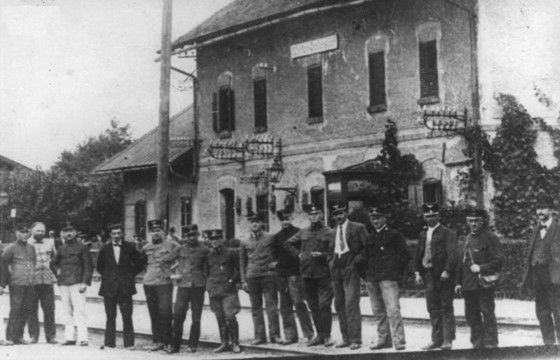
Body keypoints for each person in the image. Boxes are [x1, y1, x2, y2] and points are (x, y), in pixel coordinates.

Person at [284, 204, 334, 347]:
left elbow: (334, 252)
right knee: (313, 305)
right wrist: (298, 254)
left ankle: (327, 335)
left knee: (324, 305)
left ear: (321, 215)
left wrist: (323, 255)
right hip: (306, 274)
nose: (313, 217)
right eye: (311, 215)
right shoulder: (303, 232)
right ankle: (319, 335)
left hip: (323, 274)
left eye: (316, 214)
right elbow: (287, 244)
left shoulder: (329, 232)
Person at [455, 208, 504, 349]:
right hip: (468, 285)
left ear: (482, 221)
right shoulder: (466, 239)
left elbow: (499, 260)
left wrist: (481, 268)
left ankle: (490, 343)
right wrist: (458, 282)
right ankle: (477, 343)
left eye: (476, 221)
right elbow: (461, 263)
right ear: (467, 222)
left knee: (487, 313)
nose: (473, 224)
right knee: (471, 315)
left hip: (484, 284)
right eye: (470, 221)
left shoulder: (490, 238)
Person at [364, 206, 409, 351]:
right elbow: (364, 257)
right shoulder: (369, 237)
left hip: (388, 278)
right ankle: (384, 339)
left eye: (378, 218)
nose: (375, 221)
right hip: (372, 278)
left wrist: (395, 272)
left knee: (393, 310)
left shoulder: (395, 235)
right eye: (373, 218)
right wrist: (365, 275)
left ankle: (399, 341)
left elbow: (404, 256)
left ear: (385, 218)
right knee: (378, 311)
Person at [414, 203, 458, 350]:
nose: (430, 218)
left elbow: (452, 254)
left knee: (446, 307)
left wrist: (447, 270)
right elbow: (418, 254)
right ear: (423, 217)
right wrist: (417, 272)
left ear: (438, 216)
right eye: (427, 216)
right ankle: (436, 339)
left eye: (433, 215)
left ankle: (447, 340)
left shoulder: (447, 233)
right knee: (432, 307)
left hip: (443, 275)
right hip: (428, 274)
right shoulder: (422, 234)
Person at [162, 224, 209, 353]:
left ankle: (193, 344)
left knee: (196, 317)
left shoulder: (204, 250)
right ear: (185, 237)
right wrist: (172, 275)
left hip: (198, 286)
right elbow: (164, 262)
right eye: (189, 235)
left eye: (194, 234)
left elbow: (208, 268)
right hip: (183, 286)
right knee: (178, 316)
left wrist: (206, 281)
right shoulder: (180, 249)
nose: (192, 237)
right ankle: (174, 345)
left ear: (198, 235)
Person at [270, 208, 314, 345]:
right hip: (281, 274)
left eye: (287, 219)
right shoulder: (276, 237)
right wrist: (275, 263)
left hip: (295, 273)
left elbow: (304, 251)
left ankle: (309, 334)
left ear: (291, 219)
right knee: (285, 305)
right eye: (282, 219)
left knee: (299, 302)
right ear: (280, 220)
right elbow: (274, 255)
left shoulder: (298, 233)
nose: (285, 222)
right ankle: (290, 335)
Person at [97, 223, 143, 349]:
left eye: (118, 233)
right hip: (109, 287)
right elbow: (100, 267)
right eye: (114, 233)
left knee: (127, 316)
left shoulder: (130, 247)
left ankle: (129, 343)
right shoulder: (105, 249)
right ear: (110, 234)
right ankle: (109, 343)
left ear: (122, 233)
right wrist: (110, 277)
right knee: (110, 316)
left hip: (125, 287)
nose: (116, 236)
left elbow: (139, 263)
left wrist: (129, 275)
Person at [522, 194, 560, 345]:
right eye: (538, 208)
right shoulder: (535, 229)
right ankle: (549, 345)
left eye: (543, 208)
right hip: (538, 277)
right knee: (542, 313)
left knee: (558, 312)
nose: (540, 211)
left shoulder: (558, 229)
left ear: (551, 210)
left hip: (555, 278)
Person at [329, 201, 366, 350]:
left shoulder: (358, 228)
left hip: (351, 267)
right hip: (336, 268)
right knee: (339, 304)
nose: (339, 216)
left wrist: (355, 263)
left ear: (346, 213)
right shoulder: (332, 232)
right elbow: (330, 250)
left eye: (341, 213)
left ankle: (356, 339)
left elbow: (366, 249)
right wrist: (330, 262)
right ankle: (345, 337)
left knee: (351, 304)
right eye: (336, 214)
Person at [240, 212, 281, 345]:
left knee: (272, 307)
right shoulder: (244, 241)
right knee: (256, 308)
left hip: (268, 276)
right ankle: (259, 336)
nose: (255, 224)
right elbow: (242, 262)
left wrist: (276, 263)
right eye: (252, 222)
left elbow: (278, 254)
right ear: (249, 224)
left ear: (262, 223)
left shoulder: (271, 238)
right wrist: (243, 280)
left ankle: (275, 335)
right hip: (252, 277)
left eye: (257, 221)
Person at [139, 219, 179, 352]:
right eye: (153, 231)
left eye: (158, 230)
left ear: (163, 231)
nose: (156, 233)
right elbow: (142, 264)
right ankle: (158, 341)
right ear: (150, 232)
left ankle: (168, 342)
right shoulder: (145, 248)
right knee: (154, 313)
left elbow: (180, 260)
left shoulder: (172, 245)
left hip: (164, 283)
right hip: (149, 283)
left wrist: (173, 272)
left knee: (166, 312)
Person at [51, 223, 93, 346]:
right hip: (64, 283)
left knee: (80, 310)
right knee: (67, 310)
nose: (68, 234)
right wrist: (58, 272)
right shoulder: (61, 249)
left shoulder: (82, 247)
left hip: (77, 283)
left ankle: (83, 338)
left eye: (71, 231)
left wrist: (84, 282)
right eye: (66, 231)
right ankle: (69, 338)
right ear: (62, 234)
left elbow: (88, 266)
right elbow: (53, 263)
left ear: (75, 233)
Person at [206, 229, 242, 353]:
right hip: (215, 290)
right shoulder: (209, 256)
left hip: (228, 290)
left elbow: (239, 270)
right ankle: (224, 343)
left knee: (230, 316)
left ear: (221, 239)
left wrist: (232, 281)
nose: (214, 241)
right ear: (209, 241)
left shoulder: (231, 253)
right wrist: (209, 287)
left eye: (217, 239)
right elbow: (206, 273)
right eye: (212, 239)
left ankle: (235, 343)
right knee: (219, 317)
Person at [0, 224, 35, 345]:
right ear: (16, 233)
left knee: (26, 309)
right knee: (15, 309)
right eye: (21, 232)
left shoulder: (31, 248)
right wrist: (2, 284)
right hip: (16, 284)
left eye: (26, 232)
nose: (24, 235)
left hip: (29, 284)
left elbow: (32, 263)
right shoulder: (11, 248)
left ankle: (19, 337)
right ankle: (10, 337)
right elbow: (3, 266)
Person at [27, 222, 58, 344]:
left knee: (49, 309)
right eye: (37, 230)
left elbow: (55, 260)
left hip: (47, 281)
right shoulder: (27, 243)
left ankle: (51, 337)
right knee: (31, 309)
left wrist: (56, 275)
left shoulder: (50, 243)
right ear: (31, 230)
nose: (40, 233)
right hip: (31, 282)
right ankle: (33, 336)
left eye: (42, 231)